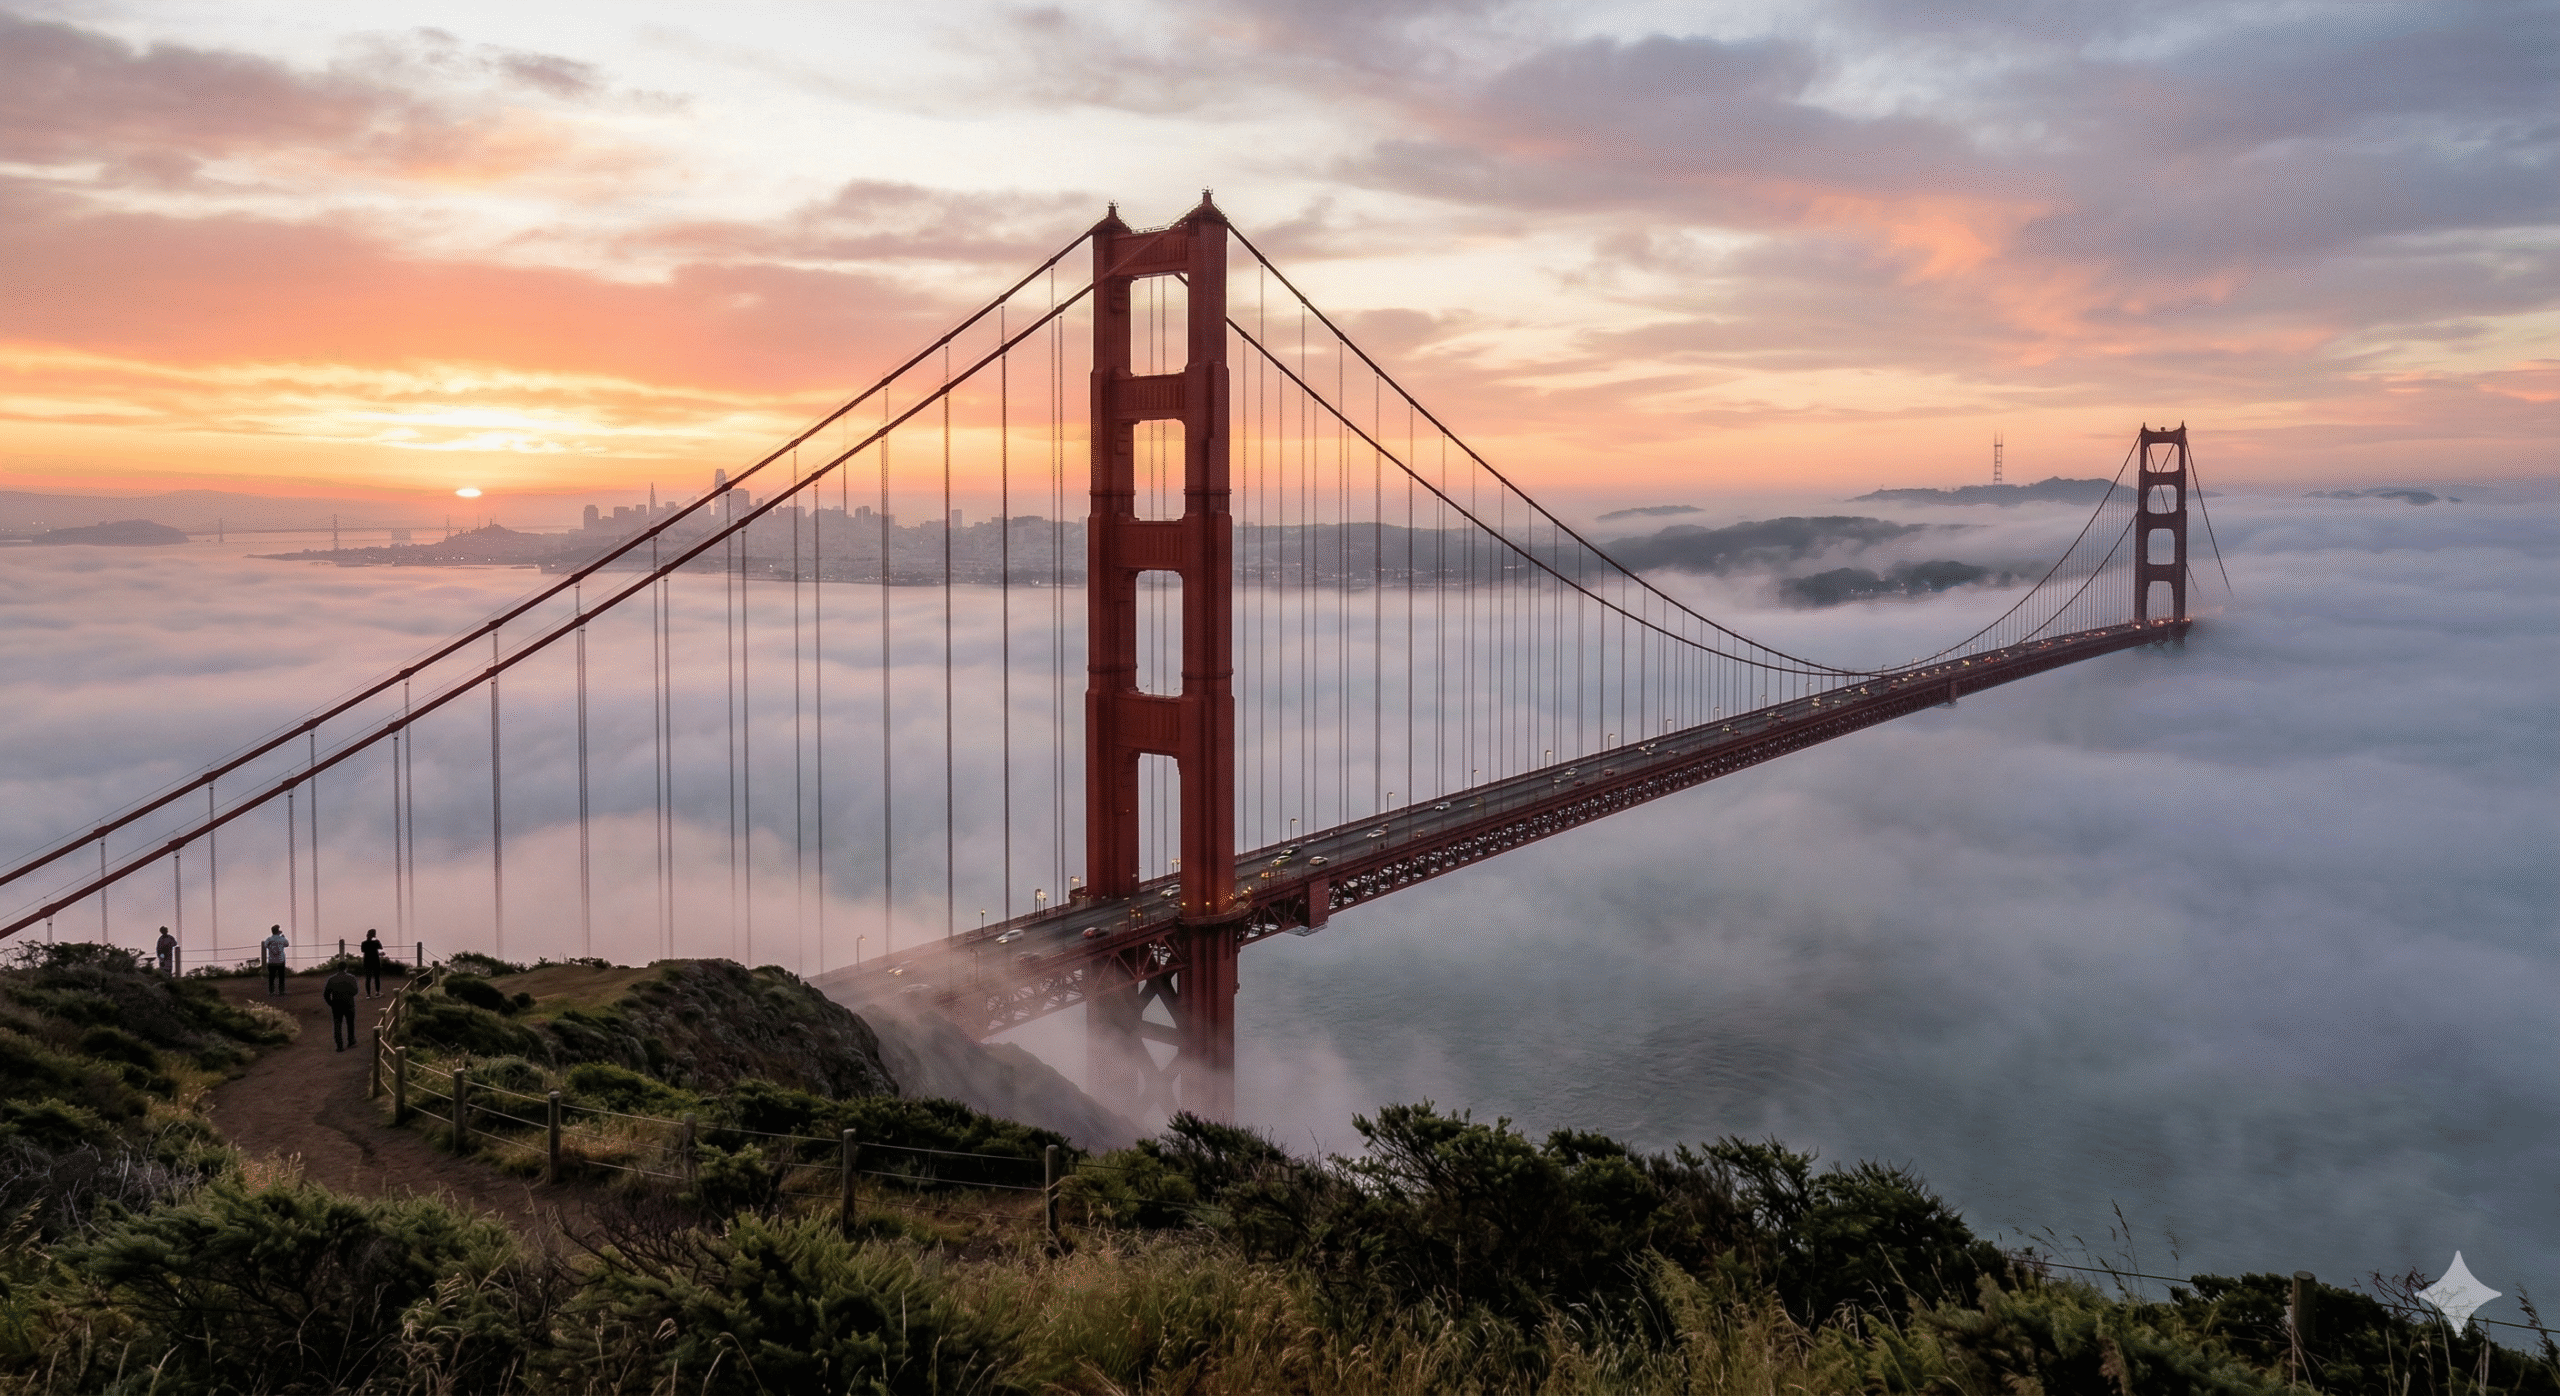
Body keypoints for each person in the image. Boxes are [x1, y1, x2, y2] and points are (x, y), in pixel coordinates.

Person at [322, 965, 360, 1051]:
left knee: (337, 1025)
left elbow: (326, 994)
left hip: (336, 1005)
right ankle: (351, 1041)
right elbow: (355, 991)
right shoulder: (351, 978)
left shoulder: (331, 979)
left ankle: (339, 1045)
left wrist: (331, 1003)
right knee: (350, 1024)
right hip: (349, 1004)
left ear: (337, 968)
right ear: (346, 968)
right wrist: (349, 996)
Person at [261, 925, 289, 995]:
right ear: (278, 931)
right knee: (281, 977)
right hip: (281, 960)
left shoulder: (269, 939)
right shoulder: (282, 939)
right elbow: (287, 944)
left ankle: (271, 991)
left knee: (271, 977)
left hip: (272, 960)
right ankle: (281, 991)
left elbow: (265, 945)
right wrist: (283, 937)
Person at [359, 929, 385, 998]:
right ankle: (377, 992)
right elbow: (381, 947)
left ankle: (368, 994)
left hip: (367, 961)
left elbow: (362, 950)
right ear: (373, 935)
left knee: (368, 978)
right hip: (375, 961)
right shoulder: (376, 942)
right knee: (376, 977)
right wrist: (376, 938)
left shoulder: (363, 943)